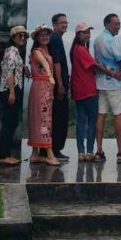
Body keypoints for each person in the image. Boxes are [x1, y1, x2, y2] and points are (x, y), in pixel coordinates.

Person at [70, 22, 113, 160]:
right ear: (78, 34)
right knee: (91, 121)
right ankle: (89, 151)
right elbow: (94, 65)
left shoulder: (76, 49)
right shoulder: (81, 49)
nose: (87, 35)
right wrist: (110, 72)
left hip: (78, 89)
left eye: (88, 32)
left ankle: (80, 152)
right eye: (84, 32)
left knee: (81, 121)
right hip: (88, 89)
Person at [93, 13, 121, 162]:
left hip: (101, 83)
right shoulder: (113, 41)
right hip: (115, 84)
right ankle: (120, 152)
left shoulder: (97, 40)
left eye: (119, 23)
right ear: (107, 24)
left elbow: (97, 62)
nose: (118, 26)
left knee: (101, 115)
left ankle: (99, 150)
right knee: (118, 114)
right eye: (115, 24)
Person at [27, 24, 59, 166]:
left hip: (45, 87)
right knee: (43, 119)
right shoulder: (37, 51)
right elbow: (44, 64)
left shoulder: (45, 51)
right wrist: (50, 75)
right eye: (42, 35)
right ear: (37, 38)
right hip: (41, 87)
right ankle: (49, 153)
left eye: (47, 34)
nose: (45, 37)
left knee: (42, 119)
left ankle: (35, 153)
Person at [0, 25, 28, 165]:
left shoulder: (15, 51)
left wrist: (24, 68)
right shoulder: (12, 51)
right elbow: (9, 72)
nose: (22, 38)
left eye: (24, 36)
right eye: (19, 35)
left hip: (13, 88)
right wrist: (11, 92)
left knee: (11, 121)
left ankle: (6, 154)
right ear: (13, 37)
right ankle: (4, 155)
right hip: (9, 89)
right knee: (9, 122)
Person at [49, 13, 70, 162]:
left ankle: (52, 149)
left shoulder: (56, 38)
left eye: (66, 22)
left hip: (56, 84)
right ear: (55, 25)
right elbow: (56, 63)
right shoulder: (55, 39)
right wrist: (60, 84)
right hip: (58, 85)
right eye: (62, 23)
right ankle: (55, 150)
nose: (65, 25)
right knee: (59, 118)